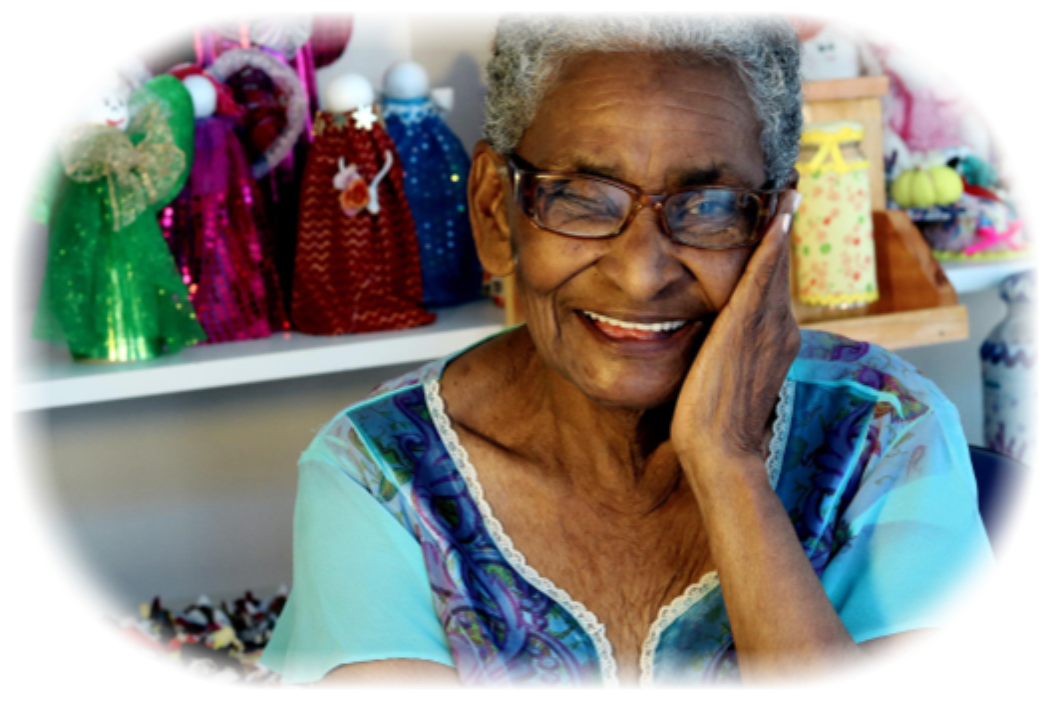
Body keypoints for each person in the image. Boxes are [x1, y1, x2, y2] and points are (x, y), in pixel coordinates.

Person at [259, 12, 998, 690]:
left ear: (777, 227)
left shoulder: (883, 430)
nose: (643, 274)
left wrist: (729, 467)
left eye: (710, 206)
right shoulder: (381, 474)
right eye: (582, 196)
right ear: (494, 211)